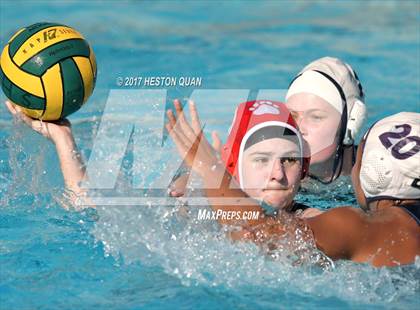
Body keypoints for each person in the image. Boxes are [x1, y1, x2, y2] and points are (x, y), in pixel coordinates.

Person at [166, 102, 420, 267]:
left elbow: (259, 235)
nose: (276, 173)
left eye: (358, 160)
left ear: (373, 174)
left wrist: (210, 168)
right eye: (261, 159)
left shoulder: (353, 226)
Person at [286, 57, 367, 184]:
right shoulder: (272, 175)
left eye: (315, 117)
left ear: (351, 121)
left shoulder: (377, 177)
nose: (298, 128)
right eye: (293, 116)